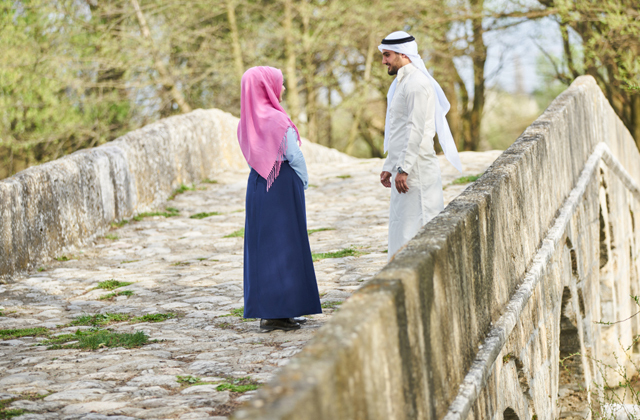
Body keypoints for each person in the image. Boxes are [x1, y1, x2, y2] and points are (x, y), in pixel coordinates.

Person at [237, 66, 322, 331]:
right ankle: (281, 312)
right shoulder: (276, 119)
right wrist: (304, 179)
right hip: (282, 183)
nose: (283, 88)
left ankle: (272, 312)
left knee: (264, 247)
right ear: (266, 87)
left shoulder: (246, 121)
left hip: (258, 184)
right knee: (287, 245)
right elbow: (293, 155)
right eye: (280, 83)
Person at [378, 31, 462, 259]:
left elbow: (416, 130)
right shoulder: (401, 83)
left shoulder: (416, 84)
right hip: (403, 170)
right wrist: (390, 165)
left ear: (403, 55)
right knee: (401, 226)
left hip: (416, 170)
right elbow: (398, 130)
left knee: (421, 226)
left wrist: (403, 168)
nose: (383, 61)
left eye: (387, 55)